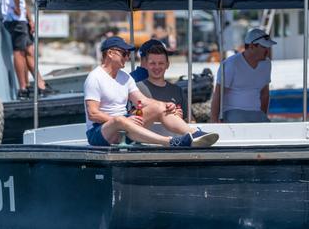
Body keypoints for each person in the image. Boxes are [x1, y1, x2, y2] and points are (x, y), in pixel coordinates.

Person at [84, 36, 219, 147]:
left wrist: (165, 105)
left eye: (128, 54)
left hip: (124, 128)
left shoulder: (125, 77)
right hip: (99, 132)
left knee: (158, 107)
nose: (127, 57)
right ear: (110, 53)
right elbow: (93, 114)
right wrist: (123, 121)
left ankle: (195, 133)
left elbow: (143, 101)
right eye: (124, 53)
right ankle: (169, 142)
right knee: (120, 119)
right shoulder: (95, 77)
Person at [2, 0, 50, 98]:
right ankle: (23, 88)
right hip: (16, 19)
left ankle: (37, 85)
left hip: (17, 19)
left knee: (28, 50)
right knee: (19, 52)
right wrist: (16, 8)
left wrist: (29, 19)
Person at [210, 28, 275, 123]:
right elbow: (218, 94)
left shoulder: (267, 63)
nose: (268, 50)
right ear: (252, 46)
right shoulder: (231, 64)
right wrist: (214, 122)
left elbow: (264, 94)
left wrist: (263, 117)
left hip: (256, 113)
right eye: (264, 47)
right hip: (232, 112)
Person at [136, 44, 185, 119]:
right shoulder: (136, 89)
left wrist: (180, 118)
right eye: (152, 63)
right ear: (146, 65)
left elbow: (191, 120)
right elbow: (132, 116)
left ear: (167, 65)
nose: (157, 67)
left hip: (173, 131)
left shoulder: (177, 91)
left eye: (161, 63)